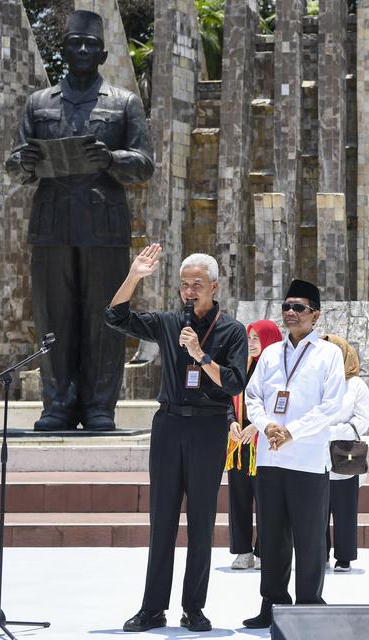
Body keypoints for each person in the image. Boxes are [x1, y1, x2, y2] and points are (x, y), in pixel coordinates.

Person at [7, 10, 154, 432]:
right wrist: (24, 160)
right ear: (64, 50)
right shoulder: (39, 103)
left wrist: (111, 159)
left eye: (92, 45)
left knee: (103, 318)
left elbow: (144, 164)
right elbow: (15, 165)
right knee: (55, 317)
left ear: (103, 53)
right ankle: (58, 405)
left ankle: (98, 407)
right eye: (76, 43)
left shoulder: (123, 102)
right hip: (52, 225)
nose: (85, 50)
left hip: (104, 227)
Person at [105, 243, 247, 633]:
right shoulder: (169, 322)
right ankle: (152, 608)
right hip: (169, 425)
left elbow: (234, 382)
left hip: (209, 426)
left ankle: (194, 607)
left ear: (215, 286)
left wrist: (201, 355)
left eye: (197, 284)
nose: (189, 290)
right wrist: (134, 275)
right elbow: (115, 317)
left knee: (201, 520)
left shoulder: (232, 330)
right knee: (162, 519)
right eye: (184, 284)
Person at [239, 279, 347, 629]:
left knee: (310, 538)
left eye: (298, 307)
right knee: (271, 537)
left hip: (307, 459)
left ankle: (310, 605)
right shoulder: (271, 354)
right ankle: (272, 604)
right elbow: (253, 396)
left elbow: (332, 405)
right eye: (286, 307)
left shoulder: (328, 354)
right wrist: (268, 425)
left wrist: (292, 431)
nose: (290, 313)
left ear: (315, 314)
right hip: (271, 459)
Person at [226, 319, 283, 570]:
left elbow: (281, 406)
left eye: (256, 338)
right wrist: (231, 423)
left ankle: (264, 551)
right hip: (239, 445)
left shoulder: (278, 370)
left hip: (265, 443)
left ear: (269, 340)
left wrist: (256, 426)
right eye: (249, 338)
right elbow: (227, 398)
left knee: (266, 499)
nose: (251, 343)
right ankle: (242, 551)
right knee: (238, 498)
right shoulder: (241, 366)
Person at [321, 334, 369, 573]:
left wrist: (331, 431)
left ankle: (344, 557)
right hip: (316, 454)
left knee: (345, 510)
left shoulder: (356, 385)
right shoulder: (315, 381)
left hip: (343, 455)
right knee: (315, 511)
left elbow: (361, 420)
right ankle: (319, 554)